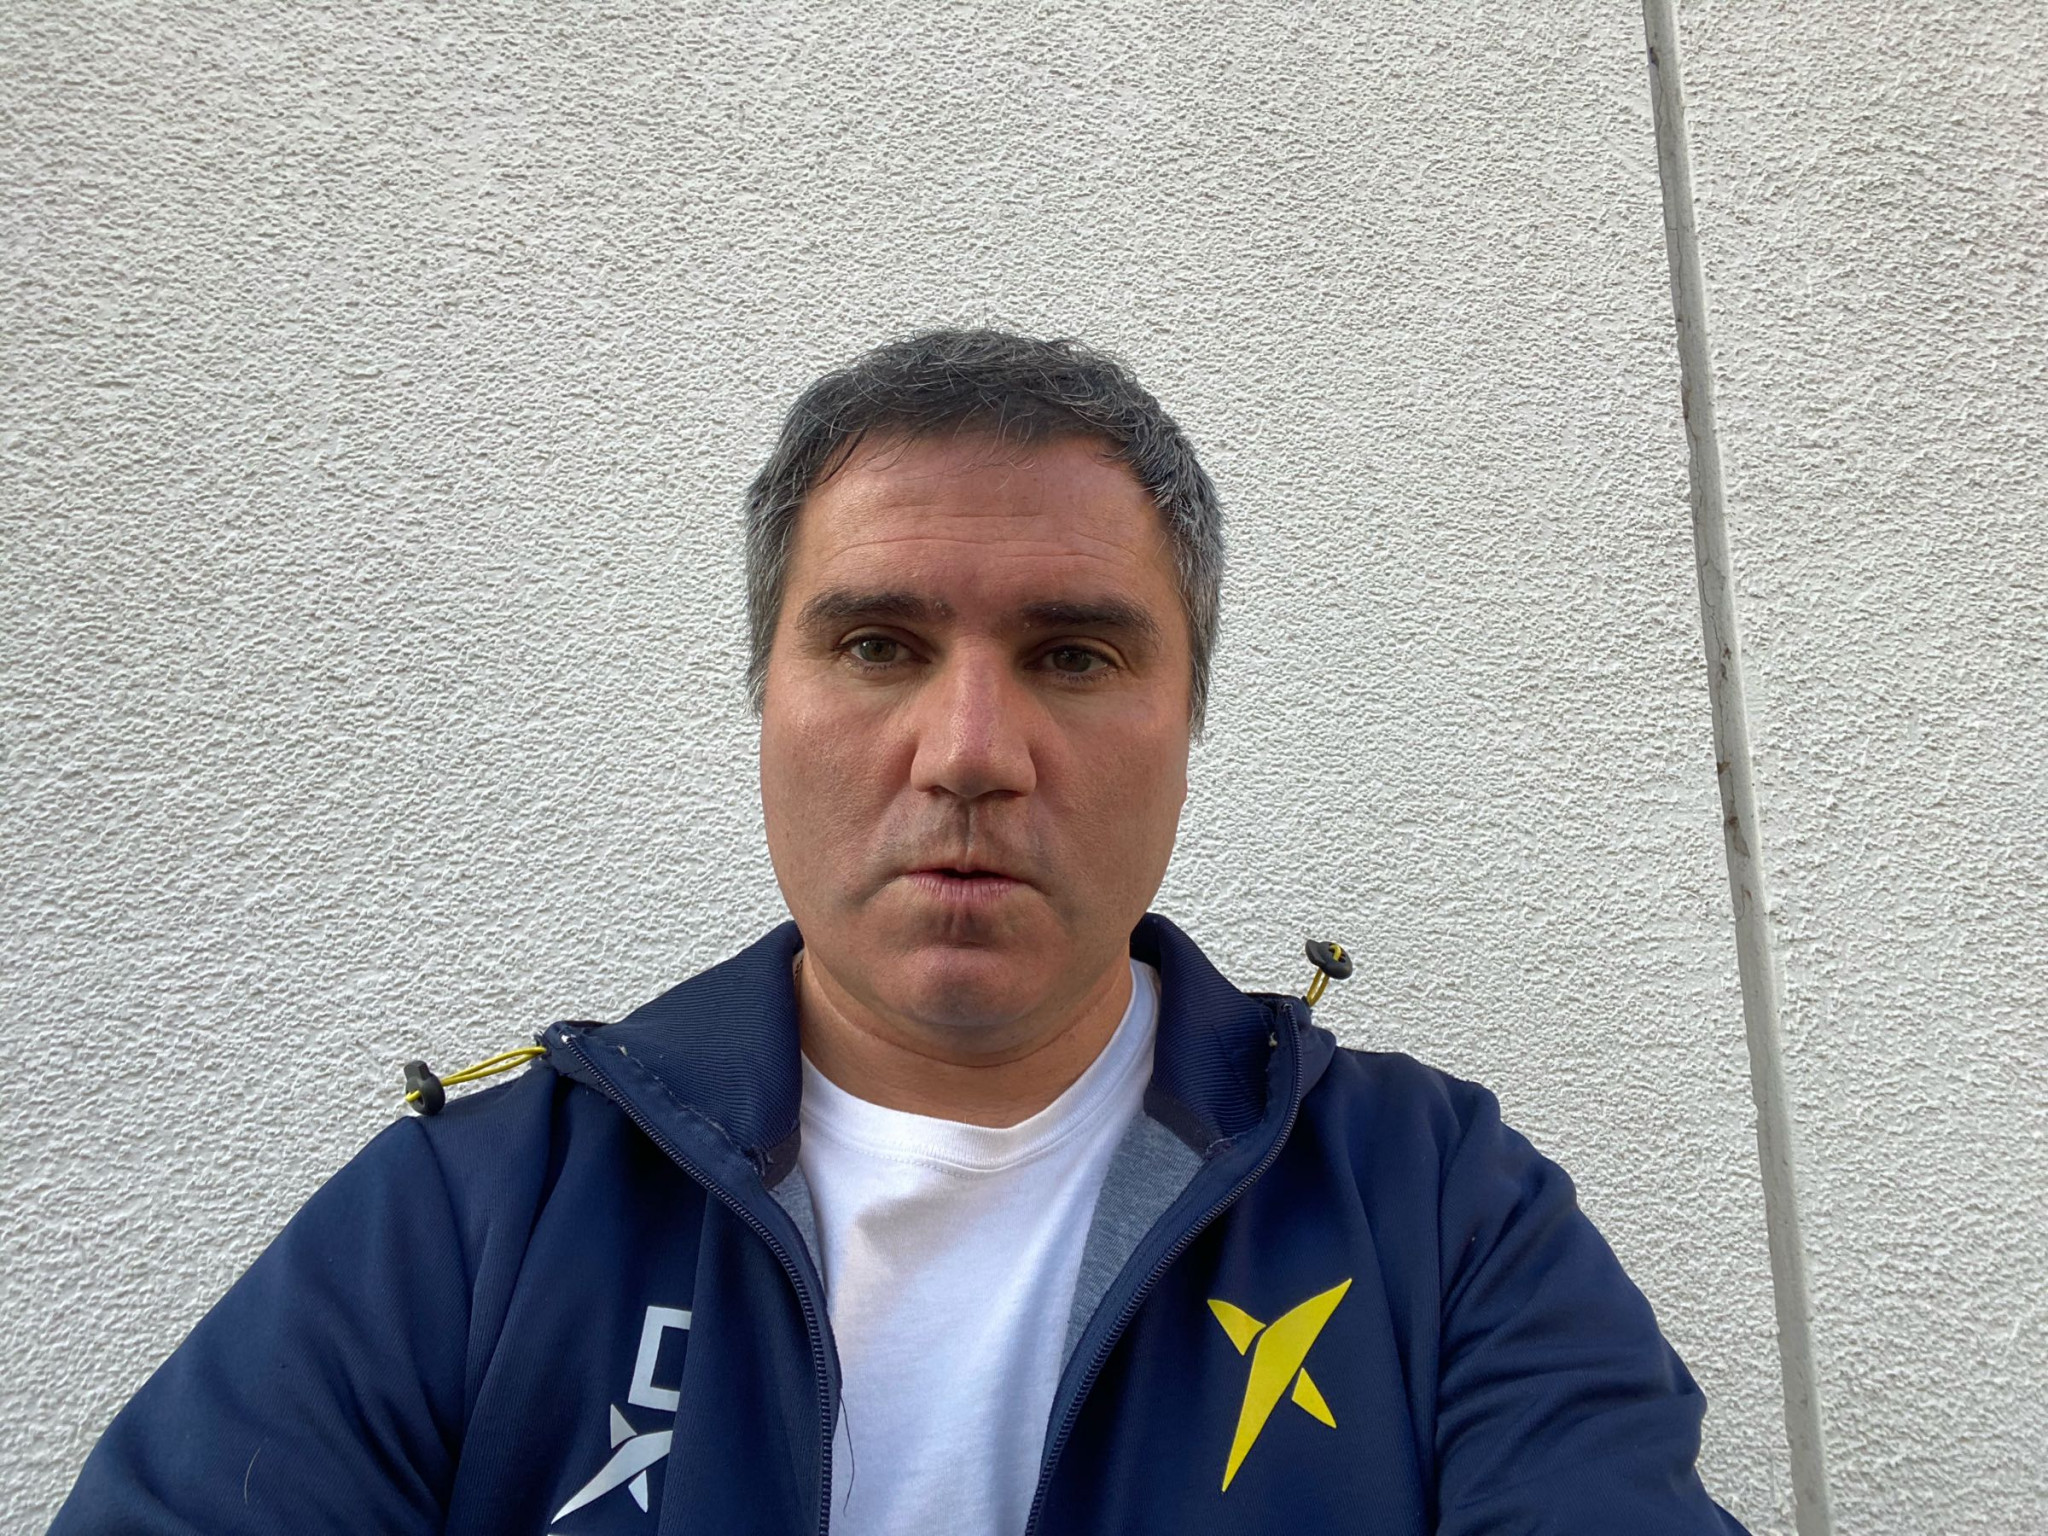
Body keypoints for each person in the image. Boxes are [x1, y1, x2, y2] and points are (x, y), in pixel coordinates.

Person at [52, 329, 1749, 1535]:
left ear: (1190, 721)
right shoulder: (479, 1216)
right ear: (765, 701)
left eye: (1074, 656)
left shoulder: (1436, 1210)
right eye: (877, 646)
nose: (969, 752)